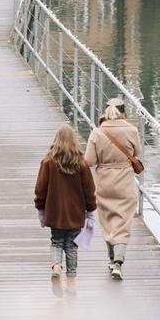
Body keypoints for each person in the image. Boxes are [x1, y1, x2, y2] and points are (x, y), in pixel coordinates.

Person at [34, 124, 96, 296]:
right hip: (75, 213)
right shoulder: (81, 164)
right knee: (71, 247)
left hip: (55, 213)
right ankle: (71, 282)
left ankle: (56, 268)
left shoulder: (48, 163)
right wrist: (90, 210)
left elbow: (40, 189)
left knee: (56, 242)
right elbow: (89, 190)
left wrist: (41, 208)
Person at [85, 97, 142, 280]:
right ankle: (118, 261)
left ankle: (111, 258)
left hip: (104, 181)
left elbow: (89, 161)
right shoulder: (132, 130)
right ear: (123, 112)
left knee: (108, 219)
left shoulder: (97, 133)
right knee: (123, 221)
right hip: (125, 180)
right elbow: (137, 152)